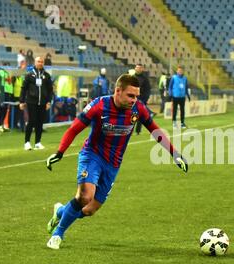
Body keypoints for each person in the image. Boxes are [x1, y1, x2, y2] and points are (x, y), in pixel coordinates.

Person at [44, 74, 188, 250]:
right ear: (118, 91)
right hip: (92, 156)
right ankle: (58, 233)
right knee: (85, 196)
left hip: (113, 164)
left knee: (89, 210)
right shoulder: (99, 105)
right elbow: (74, 129)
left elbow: (156, 131)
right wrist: (60, 152)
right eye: (130, 95)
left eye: (136, 96)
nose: (134, 100)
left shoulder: (138, 109)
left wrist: (175, 154)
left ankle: (61, 211)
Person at [19, 56, 53, 150]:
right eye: (38, 61)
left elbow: (50, 90)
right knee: (31, 121)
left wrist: (49, 102)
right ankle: (27, 142)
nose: (40, 63)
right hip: (31, 102)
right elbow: (23, 89)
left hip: (42, 103)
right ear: (35, 62)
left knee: (40, 122)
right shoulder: (29, 75)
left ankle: (38, 142)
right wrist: (21, 101)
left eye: (42, 62)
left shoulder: (46, 75)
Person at [132, 63, 153, 135]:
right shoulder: (132, 78)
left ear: (142, 69)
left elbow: (148, 90)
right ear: (135, 68)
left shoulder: (145, 79)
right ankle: (130, 130)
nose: (138, 69)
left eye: (140, 68)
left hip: (142, 100)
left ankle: (138, 131)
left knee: (140, 116)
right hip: (133, 100)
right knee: (133, 115)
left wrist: (145, 99)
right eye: (137, 67)